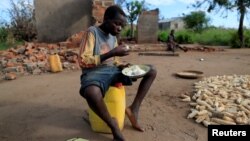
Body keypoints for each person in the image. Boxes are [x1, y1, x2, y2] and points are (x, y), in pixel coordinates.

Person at [78, 5, 157, 141]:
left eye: (122, 25)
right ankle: (113, 125)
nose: (119, 28)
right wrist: (112, 52)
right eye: (117, 23)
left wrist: (122, 65)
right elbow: (83, 60)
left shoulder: (113, 37)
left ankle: (134, 109)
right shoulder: (92, 32)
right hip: (94, 72)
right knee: (91, 92)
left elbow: (114, 60)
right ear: (106, 19)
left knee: (151, 70)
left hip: (112, 70)